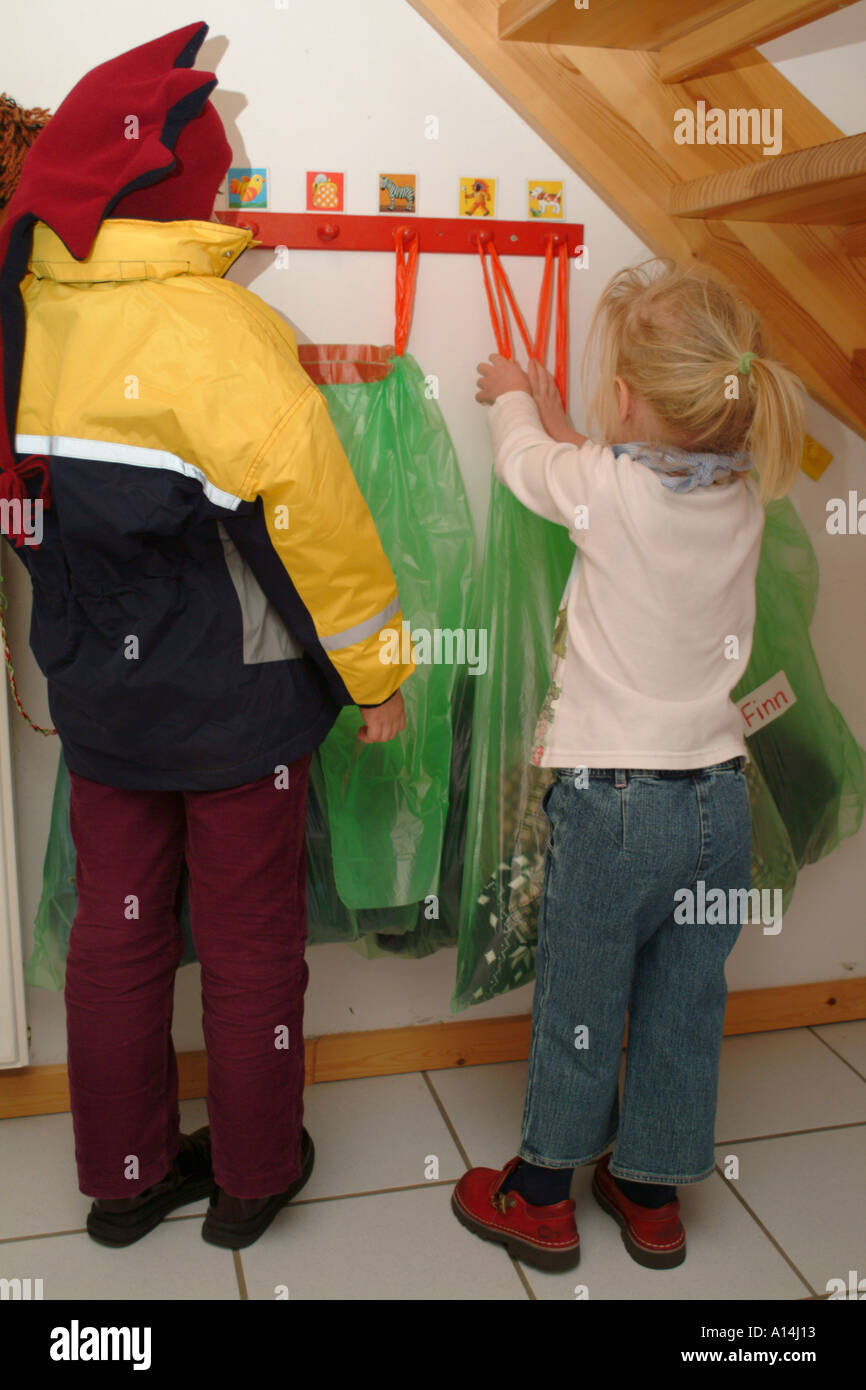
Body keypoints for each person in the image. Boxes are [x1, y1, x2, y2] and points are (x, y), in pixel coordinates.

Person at [0, 22, 411, 1251]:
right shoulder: (219, 332)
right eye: (222, 180)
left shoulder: (24, 323)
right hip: (239, 711)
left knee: (116, 943)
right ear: (168, 190)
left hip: (105, 707)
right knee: (246, 943)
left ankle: (123, 1180)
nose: (230, 197)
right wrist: (375, 671)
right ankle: (248, 1175)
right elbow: (313, 528)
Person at [452, 257, 804, 1272]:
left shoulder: (600, 488)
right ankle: (650, 1191)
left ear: (624, 402)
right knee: (683, 995)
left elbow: (530, 465)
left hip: (612, 810)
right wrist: (582, 431)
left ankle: (538, 1191)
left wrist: (513, 395)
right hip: (717, 805)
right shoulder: (740, 496)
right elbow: (619, 482)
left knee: (582, 996)